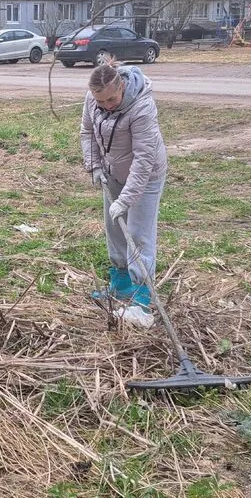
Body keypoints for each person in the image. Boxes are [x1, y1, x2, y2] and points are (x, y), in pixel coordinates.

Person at [80, 59, 167, 328]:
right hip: (113, 171)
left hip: (146, 175)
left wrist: (127, 199)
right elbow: (87, 132)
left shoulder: (142, 107)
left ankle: (141, 297)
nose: (106, 105)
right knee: (115, 227)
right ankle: (120, 283)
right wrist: (95, 166)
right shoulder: (93, 99)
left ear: (122, 87)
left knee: (139, 233)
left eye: (112, 99)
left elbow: (144, 159)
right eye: (101, 101)